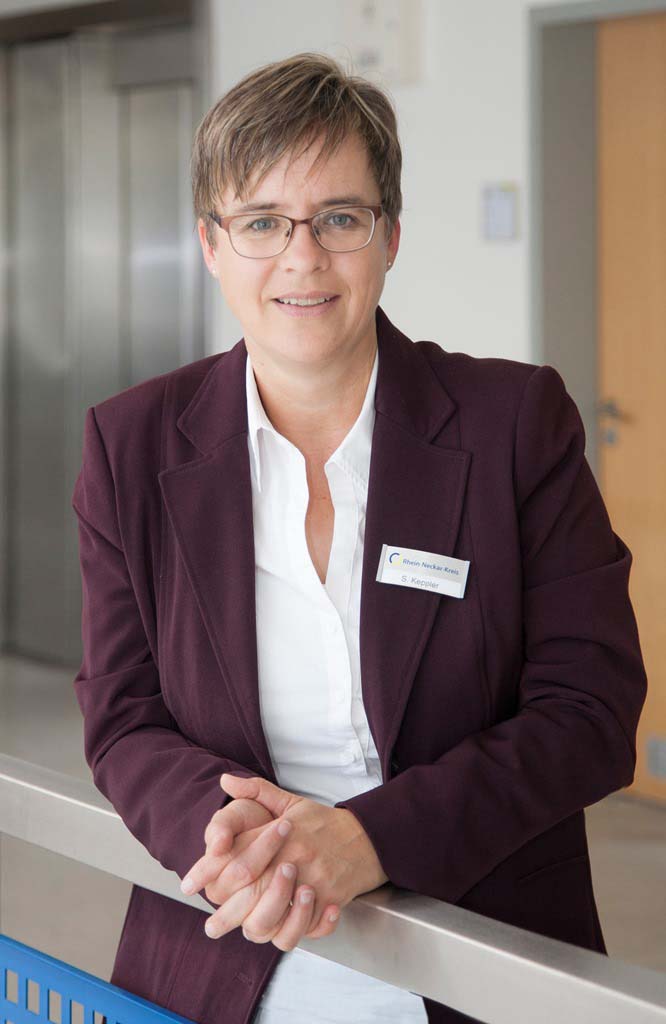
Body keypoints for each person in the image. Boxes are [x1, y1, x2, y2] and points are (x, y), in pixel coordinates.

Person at [71, 52, 648, 1024]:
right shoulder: (130, 446)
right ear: (211, 243)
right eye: (262, 222)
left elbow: (589, 710)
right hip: (224, 945)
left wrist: (371, 839)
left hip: (480, 959)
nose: (302, 258)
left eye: (340, 217)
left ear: (391, 237)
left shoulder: (512, 425)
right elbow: (123, 716)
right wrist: (243, 842)